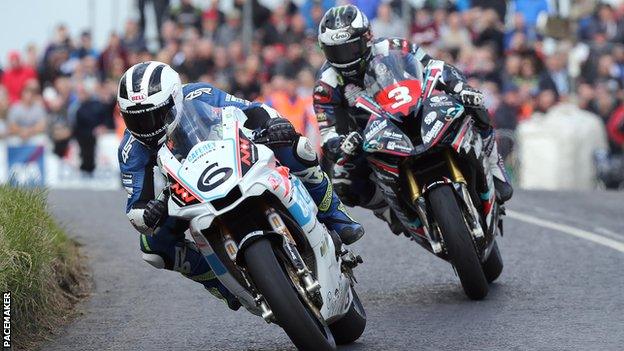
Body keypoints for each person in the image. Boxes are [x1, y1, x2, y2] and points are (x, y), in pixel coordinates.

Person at [116, 61, 363, 309]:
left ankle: (336, 216)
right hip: (183, 193)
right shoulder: (130, 151)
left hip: (233, 160)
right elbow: (136, 206)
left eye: (154, 115)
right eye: (135, 120)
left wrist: (273, 124)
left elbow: (252, 110)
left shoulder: (200, 94)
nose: (145, 128)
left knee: (297, 148)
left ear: (174, 100)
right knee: (152, 248)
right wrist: (148, 213)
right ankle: (221, 284)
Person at [313, 5, 513, 234]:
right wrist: (341, 145)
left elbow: (434, 67)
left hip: (413, 109)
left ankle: (494, 165)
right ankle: (389, 210)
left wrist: (460, 88)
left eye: (349, 48)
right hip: (368, 137)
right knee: (342, 183)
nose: (345, 57)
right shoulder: (325, 85)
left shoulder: (394, 46)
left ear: (367, 38)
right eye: (336, 51)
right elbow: (327, 133)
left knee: (473, 104)